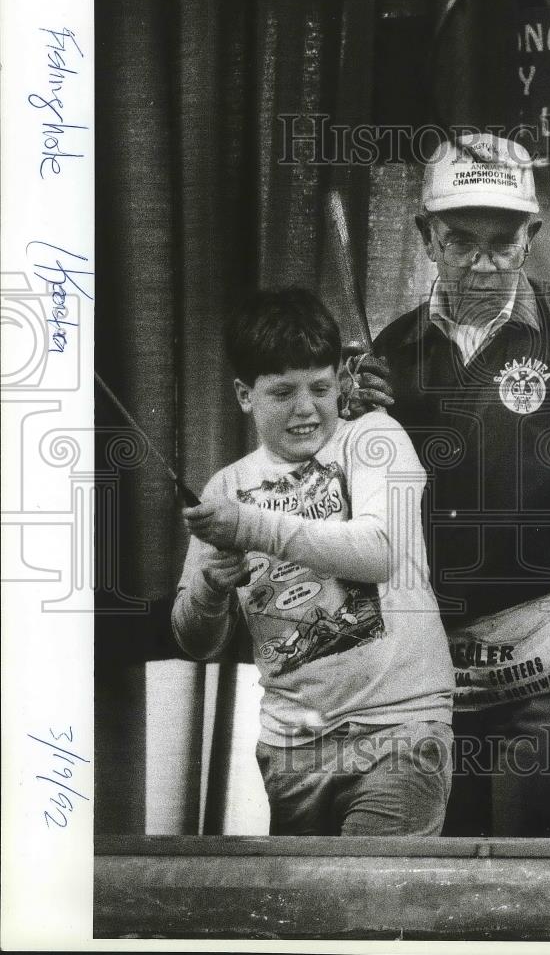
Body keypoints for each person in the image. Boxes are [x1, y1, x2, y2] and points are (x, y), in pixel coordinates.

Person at [360, 132, 550, 837]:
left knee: (541, 849)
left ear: (530, 236)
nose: (480, 264)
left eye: (502, 242)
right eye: (459, 240)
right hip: (434, 643)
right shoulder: (394, 347)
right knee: (444, 841)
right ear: (425, 236)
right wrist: (355, 426)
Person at [171, 287, 455, 836]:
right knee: (311, 913)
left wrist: (250, 526)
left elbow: (380, 553)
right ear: (244, 395)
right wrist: (210, 587)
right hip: (291, 748)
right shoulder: (226, 486)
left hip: (399, 729)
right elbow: (194, 640)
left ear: (341, 381)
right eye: (282, 392)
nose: (306, 408)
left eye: (320, 387)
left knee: (366, 904)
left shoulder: (374, 438)